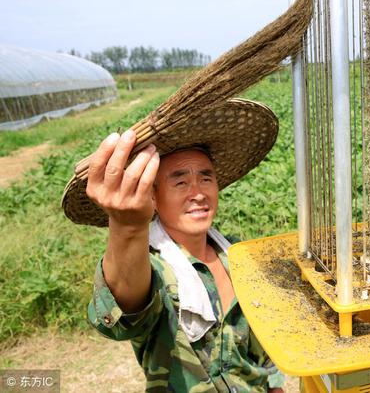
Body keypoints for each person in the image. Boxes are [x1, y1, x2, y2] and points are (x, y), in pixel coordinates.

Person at [81, 125, 284, 392]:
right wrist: (128, 227)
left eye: (206, 178)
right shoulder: (154, 268)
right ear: (151, 195)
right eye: (180, 181)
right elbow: (123, 310)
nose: (198, 193)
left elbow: (263, 350)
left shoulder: (237, 255)